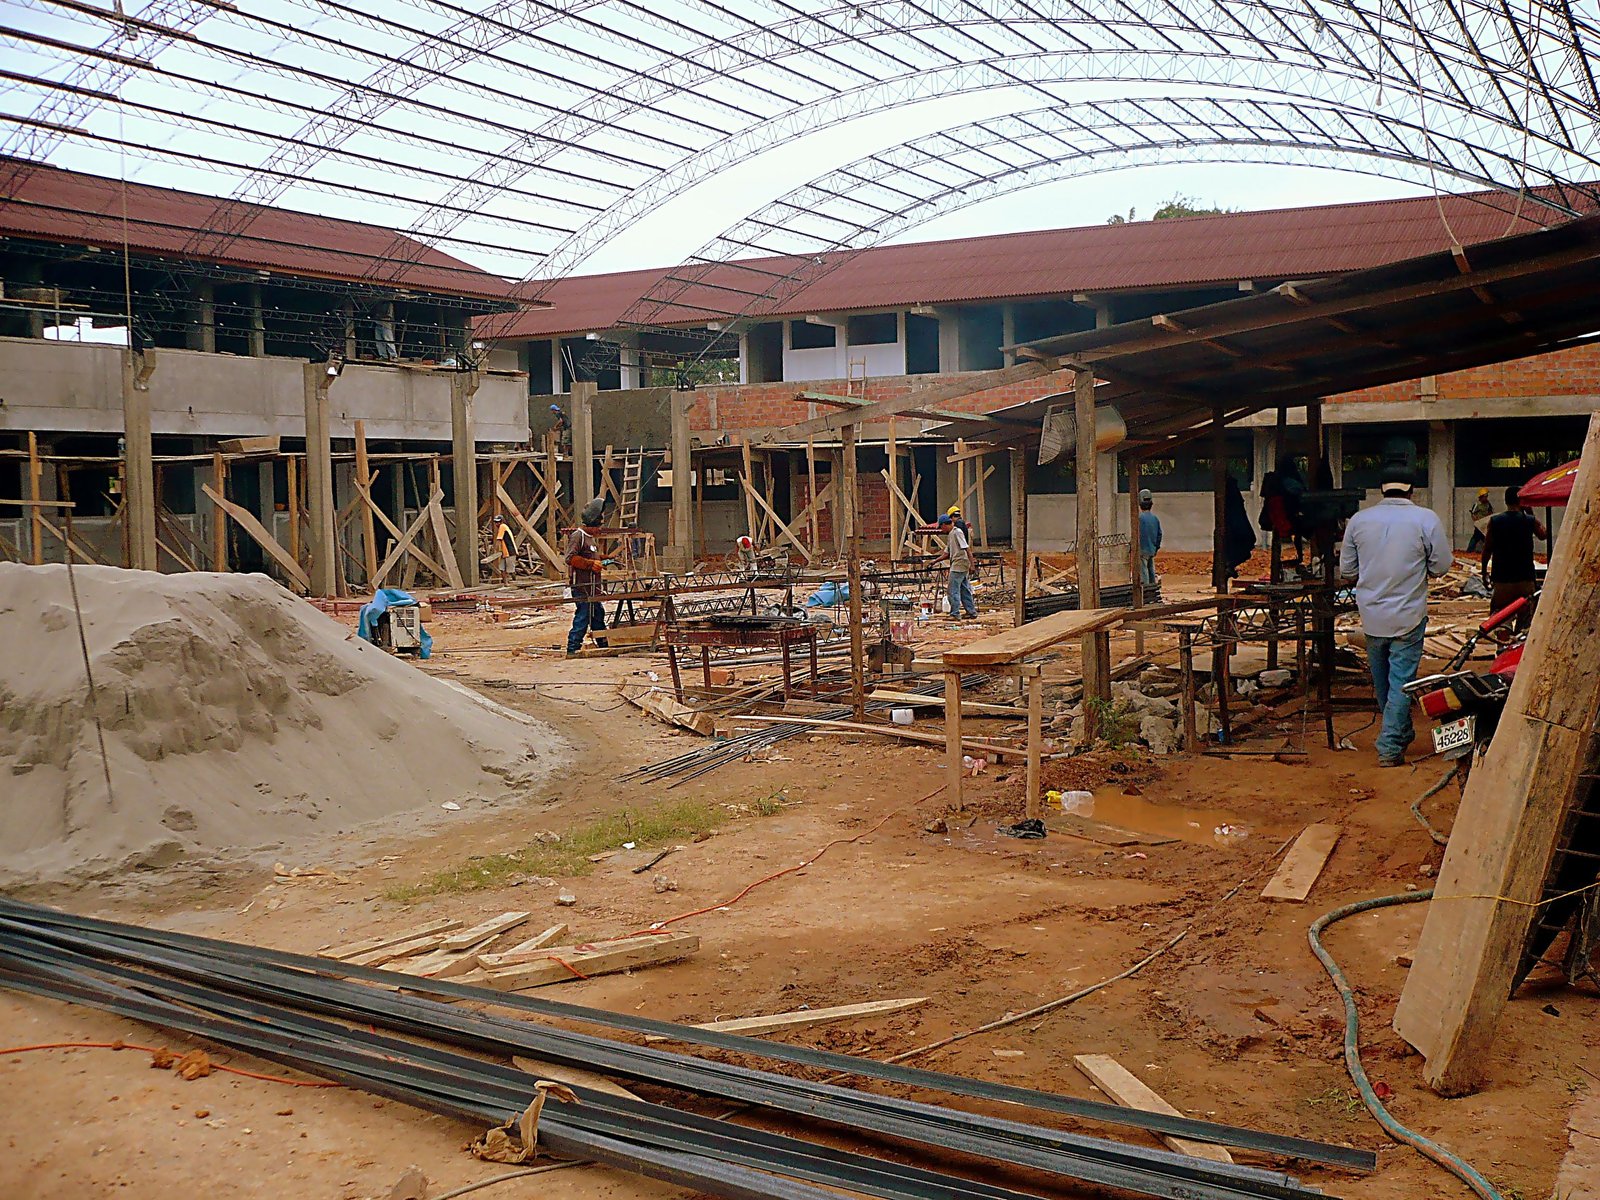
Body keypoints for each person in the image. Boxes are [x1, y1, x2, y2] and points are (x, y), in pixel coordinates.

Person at [1338, 467, 1452, 766]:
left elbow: (1347, 570)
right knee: (1401, 682)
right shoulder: (1425, 519)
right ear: (1411, 490)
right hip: (1408, 615)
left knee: (1383, 683)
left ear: (1381, 489)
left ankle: (1400, 734)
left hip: (1372, 616)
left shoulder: (1359, 520)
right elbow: (1441, 566)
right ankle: (1389, 746)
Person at [1480, 483, 1546, 629]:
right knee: (1525, 619)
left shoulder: (1495, 521)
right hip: (1525, 578)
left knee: (1501, 617)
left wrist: (1484, 572)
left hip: (1502, 579)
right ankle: (1520, 641)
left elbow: (1487, 549)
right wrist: (1530, 513)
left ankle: (1503, 636)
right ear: (1521, 501)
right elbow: (1543, 535)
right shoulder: (1529, 521)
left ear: (1506, 501)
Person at [565, 497, 610, 656]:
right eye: (598, 527)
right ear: (591, 525)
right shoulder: (579, 536)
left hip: (593, 588)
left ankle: (603, 644)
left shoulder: (591, 539)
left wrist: (605, 559)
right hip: (582, 587)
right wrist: (591, 564)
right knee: (583, 616)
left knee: (597, 615)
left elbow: (591, 556)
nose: (599, 530)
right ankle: (572, 647)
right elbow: (570, 558)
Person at [937, 511, 977, 620]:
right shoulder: (951, 535)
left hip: (959, 564)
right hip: (959, 564)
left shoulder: (957, 532)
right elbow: (946, 553)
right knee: (964, 589)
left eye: (941, 527)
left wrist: (972, 564)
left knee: (952, 590)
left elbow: (967, 548)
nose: (942, 530)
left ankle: (955, 613)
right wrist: (934, 561)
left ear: (944, 524)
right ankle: (971, 612)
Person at [1220, 476, 1257, 579]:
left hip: (1236, 532)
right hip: (1236, 532)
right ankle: (1229, 567)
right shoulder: (1231, 500)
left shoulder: (1231, 500)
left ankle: (1229, 567)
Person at [1137, 488, 1162, 589]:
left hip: (1142, 549)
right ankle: (1153, 589)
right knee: (1151, 569)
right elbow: (1159, 534)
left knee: (1144, 570)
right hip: (1152, 549)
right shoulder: (1155, 519)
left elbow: (1137, 535)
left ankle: (1146, 590)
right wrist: (1156, 547)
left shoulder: (1139, 519)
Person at [489, 514, 517, 585]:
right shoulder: (502, 527)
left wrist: (495, 550)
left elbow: (499, 539)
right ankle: (506, 583)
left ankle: (512, 576)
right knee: (502, 568)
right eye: (495, 522)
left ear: (501, 521)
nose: (497, 524)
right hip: (504, 552)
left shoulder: (502, 527)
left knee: (508, 570)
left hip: (509, 551)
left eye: (498, 522)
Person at [1466, 487, 1493, 554]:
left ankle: (1489, 551)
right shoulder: (1477, 505)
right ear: (1481, 497)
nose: (1486, 498)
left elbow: (1490, 512)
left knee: (1485, 538)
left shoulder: (1488, 504)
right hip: (1479, 525)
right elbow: (1473, 514)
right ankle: (1469, 551)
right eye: (1485, 496)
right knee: (1476, 537)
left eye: (1487, 496)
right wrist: (1477, 521)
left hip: (1485, 524)